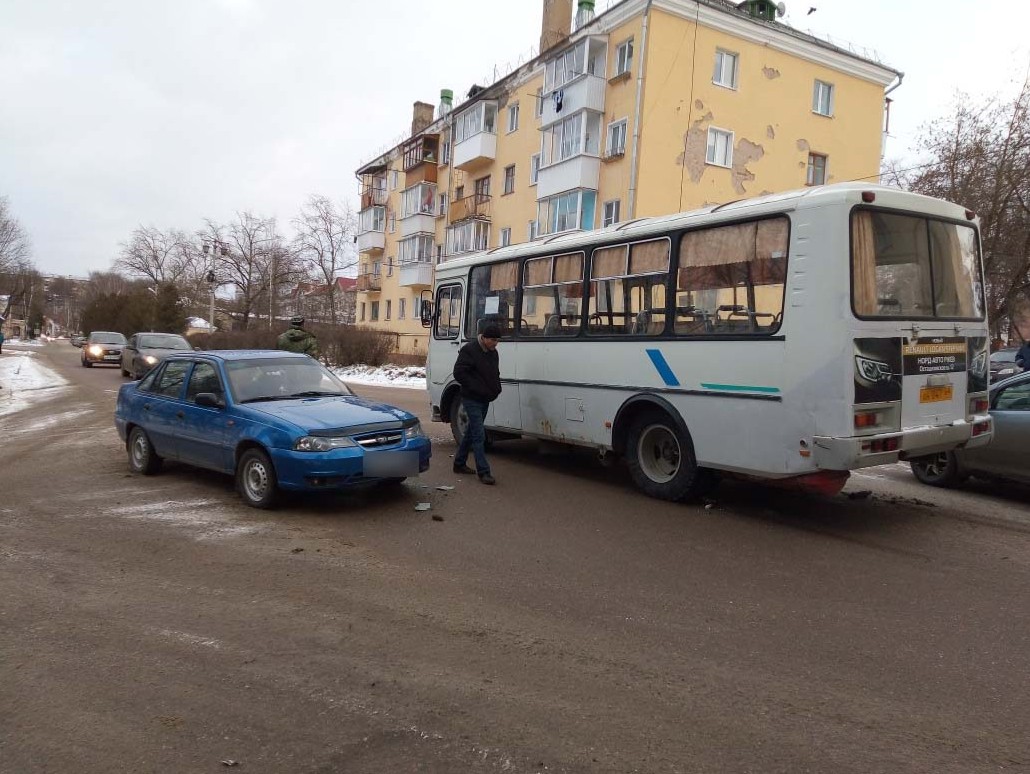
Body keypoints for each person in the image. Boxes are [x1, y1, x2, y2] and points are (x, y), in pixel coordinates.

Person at [452, 322, 502, 485]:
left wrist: (496, 389)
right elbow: (459, 373)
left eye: (497, 340)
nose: (495, 343)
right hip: (471, 398)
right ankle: (484, 472)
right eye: (493, 340)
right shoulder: (469, 350)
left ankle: (459, 463)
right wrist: (476, 388)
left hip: (485, 398)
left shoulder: (493, 353)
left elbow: (495, 373)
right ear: (485, 338)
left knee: (472, 431)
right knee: (479, 435)